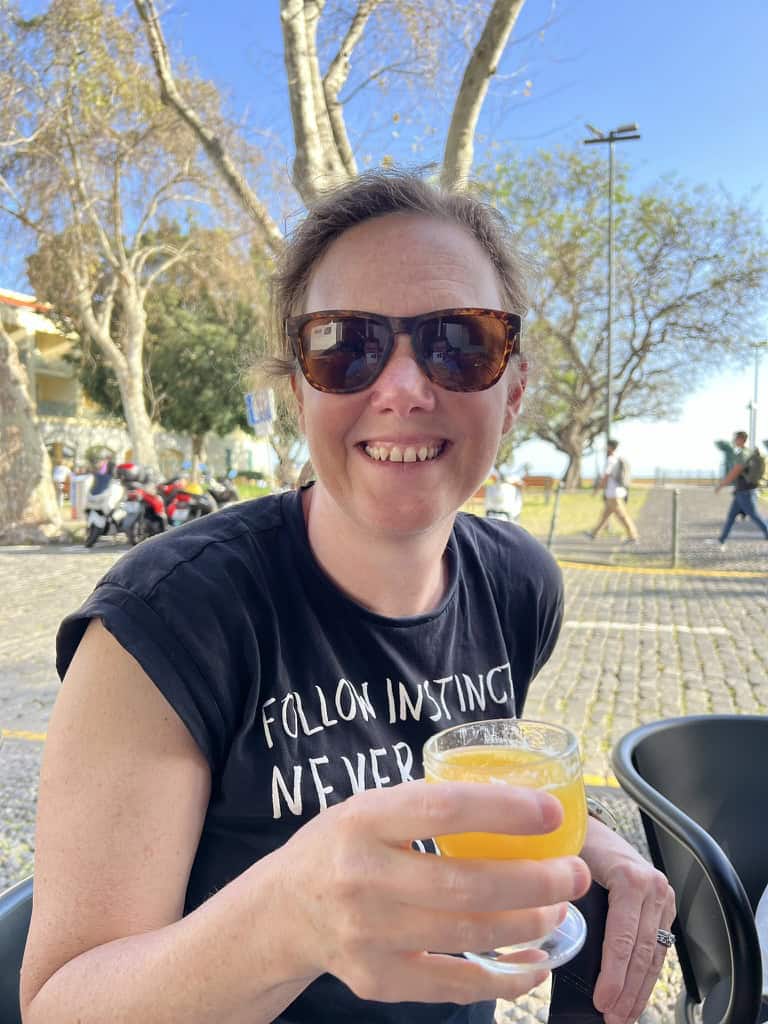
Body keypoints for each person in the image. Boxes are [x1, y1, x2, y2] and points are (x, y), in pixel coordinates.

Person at [21, 172, 673, 1024]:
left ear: (512, 391)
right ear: (298, 390)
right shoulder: (167, 622)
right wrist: (286, 924)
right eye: (343, 345)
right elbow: (60, 1002)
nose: (402, 389)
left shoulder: (520, 585)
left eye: (460, 343)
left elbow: (458, 788)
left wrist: (592, 842)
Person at [715, 429, 768, 547]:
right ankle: (721, 540)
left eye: (736, 438)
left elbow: (735, 472)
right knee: (731, 517)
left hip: (745, 492)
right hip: (742, 492)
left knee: (755, 516)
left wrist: (721, 485)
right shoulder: (748, 452)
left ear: (742, 439)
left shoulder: (742, 454)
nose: (734, 440)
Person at [587, 439, 639, 544]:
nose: (605, 449)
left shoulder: (610, 460)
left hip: (613, 493)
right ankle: (594, 533)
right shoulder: (617, 458)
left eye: (606, 446)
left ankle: (633, 536)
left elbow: (606, 477)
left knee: (622, 516)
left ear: (610, 447)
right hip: (616, 492)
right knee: (605, 514)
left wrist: (597, 489)